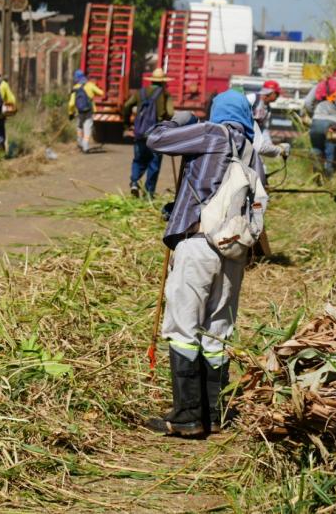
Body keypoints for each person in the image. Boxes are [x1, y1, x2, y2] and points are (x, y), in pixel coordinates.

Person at [144, 90, 267, 437]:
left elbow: (156, 139)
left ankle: (187, 416)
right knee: (217, 332)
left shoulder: (212, 133)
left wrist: (179, 120)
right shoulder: (251, 151)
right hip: (233, 253)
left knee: (183, 329)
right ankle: (214, 414)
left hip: (197, 246)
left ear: (218, 111)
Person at [123, 67, 174, 197]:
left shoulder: (140, 92)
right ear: (163, 81)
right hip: (157, 134)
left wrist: (127, 123)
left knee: (138, 160)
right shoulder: (165, 94)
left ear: (151, 80)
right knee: (154, 163)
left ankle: (134, 182)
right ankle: (149, 193)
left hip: (140, 132)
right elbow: (171, 113)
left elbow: (127, 106)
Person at [66, 69, 103, 153]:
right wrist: (94, 91)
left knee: (79, 127)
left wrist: (70, 113)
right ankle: (85, 146)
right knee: (87, 129)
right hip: (89, 112)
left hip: (79, 112)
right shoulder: (90, 85)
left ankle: (80, 143)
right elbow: (101, 93)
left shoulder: (75, 88)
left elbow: (71, 104)